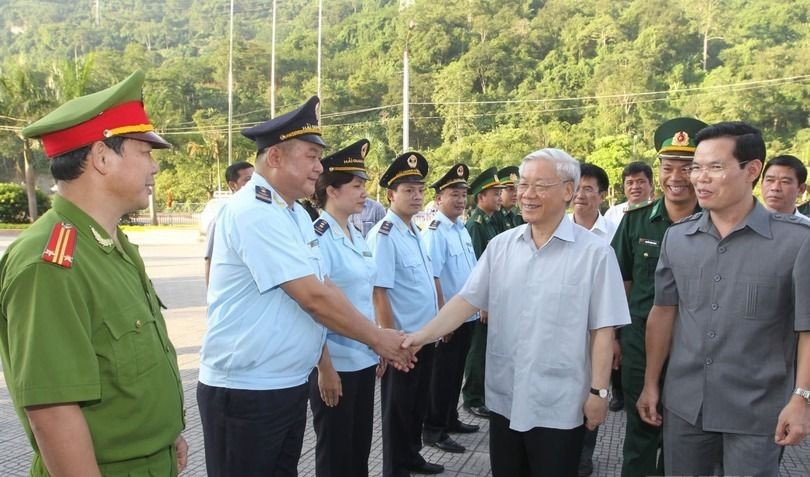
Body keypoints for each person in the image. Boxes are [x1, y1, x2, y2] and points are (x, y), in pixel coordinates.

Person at [197, 96, 414, 477]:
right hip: (247, 390)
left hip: (284, 383)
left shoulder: (295, 213)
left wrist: (375, 334)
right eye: (311, 156)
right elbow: (313, 298)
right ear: (276, 158)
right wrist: (378, 339)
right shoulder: (254, 211)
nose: (319, 167)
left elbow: (324, 285)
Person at [0, 70, 187, 475]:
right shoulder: (50, 263)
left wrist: (166, 432)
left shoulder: (110, 245)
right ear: (102, 158)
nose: (154, 168)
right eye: (145, 153)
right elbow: (54, 412)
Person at [404, 148, 630, 477]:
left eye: (540, 185)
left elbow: (603, 330)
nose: (527, 194)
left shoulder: (595, 254)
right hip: (506, 398)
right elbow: (466, 301)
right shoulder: (502, 246)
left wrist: (599, 392)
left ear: (568, 190)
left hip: (559, 404)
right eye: (523, 185)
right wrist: (418, 337)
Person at [637, 122, 810, 476]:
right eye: (696, 168)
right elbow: (663, 313)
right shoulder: (677, 239)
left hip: (757, 410)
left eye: (715, 167)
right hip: (686, 406)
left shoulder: (797, 242)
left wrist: (801, 399)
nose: (699, 178)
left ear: (751, 170)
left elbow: (807, 329)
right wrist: (651, 384)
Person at [610, 117, 706, 477]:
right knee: (640, 430)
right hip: (639, 343)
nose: (676, 177)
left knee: (684, 434)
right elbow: (621, 284)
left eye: (688, 168)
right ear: (659, 171)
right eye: (668, 168)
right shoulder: (635, 222)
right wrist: (617, 338)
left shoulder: (715, 222)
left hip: (693, 347)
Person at [367, 152, 443, 476]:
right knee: (398, 412)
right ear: (390, 195)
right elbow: (379, 292)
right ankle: (395, 469)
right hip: (403, 345)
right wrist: (392, 345)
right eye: (408, 189)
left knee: (415, 408)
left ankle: (412, 458)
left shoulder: (413, 230)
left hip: (422, 339)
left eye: (419, 189)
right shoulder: (384, 234)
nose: (416, 195)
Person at [308, 139, 379, 477]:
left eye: (364, 185)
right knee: (335, 453)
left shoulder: (356, 232)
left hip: (363, 360)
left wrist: (376, 347)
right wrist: (324, 367)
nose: (364, 192)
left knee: (358, 450)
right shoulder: (318, 236)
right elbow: (315, 306)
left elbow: (364, 296)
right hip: (335, 365)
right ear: (332, 191)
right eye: (356, 185)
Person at [420, 163, 480, 455]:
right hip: (449, 319)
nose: (459, 199)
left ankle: (450, 418)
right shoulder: (435, 232)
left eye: (462, 194)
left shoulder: (461, 229)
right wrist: (443, 321)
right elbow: (432, 277)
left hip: (465, 316)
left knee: (455, 373)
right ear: (438, 199)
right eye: (453, 194)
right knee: (441, 375)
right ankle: (434, 429)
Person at [570, 162, 618, 477]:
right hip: (564, 331)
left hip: (600, 331)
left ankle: (584, 454)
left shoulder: (615, 234)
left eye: (589, 189)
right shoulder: (555, 228)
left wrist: (616, 340)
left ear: (601, 196)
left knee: (595, 391)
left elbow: (624, 287)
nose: (581, 195)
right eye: (577, 187)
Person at [462, 166, 504, 418]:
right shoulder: (476, 225)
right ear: (481, 198)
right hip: (481, 301)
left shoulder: (490, 222)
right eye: (495, 193)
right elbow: (477, 270)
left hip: (493, 297)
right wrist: (482, 304)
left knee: (486, 348)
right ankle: (473, 397)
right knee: (477, 351)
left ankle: (482, 394)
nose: (499, 197)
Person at [204, 161, 254, 285]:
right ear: (233, 185)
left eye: (256, 178)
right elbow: (209, 260)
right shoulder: (222, 218)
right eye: (248, 179)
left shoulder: (263, 213)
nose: (254, 183)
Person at [604, 162, 655, 226]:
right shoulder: (613, 214)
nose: (635, 187)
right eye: (630, 183)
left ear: (651, 185)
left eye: (641, 182)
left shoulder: (657, 212)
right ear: (624, 187)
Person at [760, 154, 808, 220]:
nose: (775, 188)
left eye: (785, 182)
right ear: (761, 183)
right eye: (770, 180)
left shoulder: (806, 228)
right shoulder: (745, 223)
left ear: (801, 189)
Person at [496, 166, 524, 231]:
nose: (515, 193)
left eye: (516, 189)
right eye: (510, 189)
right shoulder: (494, 217)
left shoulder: (513, 216)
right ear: (500, 191)